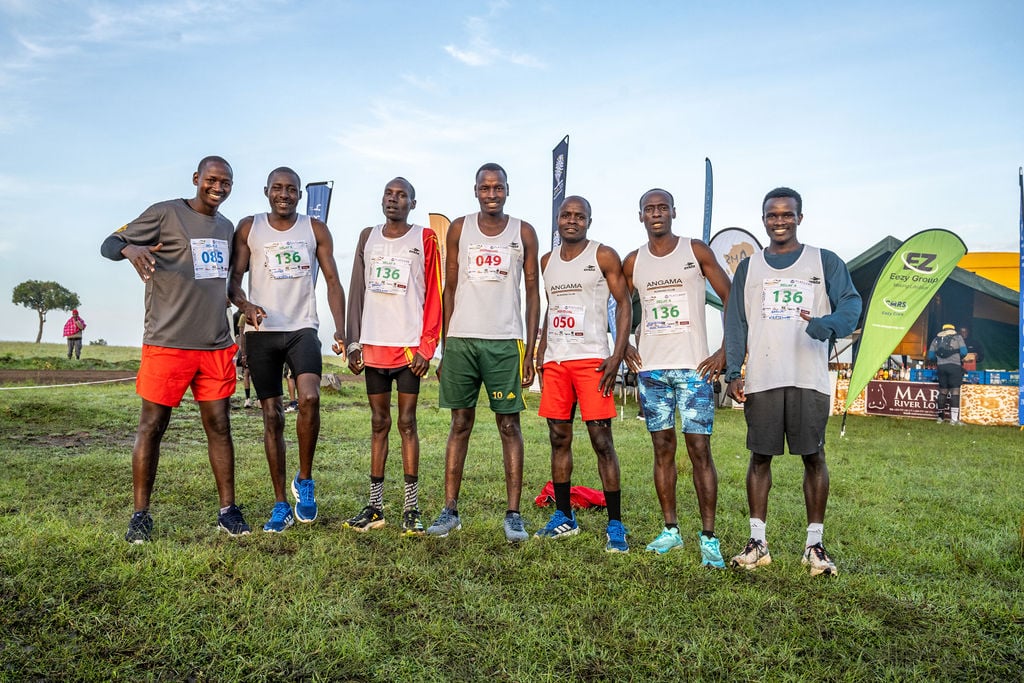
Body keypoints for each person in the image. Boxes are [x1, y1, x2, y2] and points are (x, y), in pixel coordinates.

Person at [101, 156, 250, 542]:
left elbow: (227, 282)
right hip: (168, 341)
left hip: (215, 343)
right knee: (153, 426)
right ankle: (140, 516)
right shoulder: (165, 213)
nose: (218, 187)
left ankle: (228, 511)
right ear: (196, 178)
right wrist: (129, 250)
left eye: (226, 182)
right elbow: (109, 242)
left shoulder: (227, 226)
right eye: (212, 179)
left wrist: (245, 303)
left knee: (219, 425)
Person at [724, 187, 862, 577]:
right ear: (763, 218)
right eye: (772, 214)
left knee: (814, 457)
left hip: (809, 377)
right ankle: (757, 543)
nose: (780, 220)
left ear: (800, 217)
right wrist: (734, 371)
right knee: (759, 456)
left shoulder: (825, 261)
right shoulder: (749, 269)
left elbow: (851, 303)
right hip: (764, 377)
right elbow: (735, 321)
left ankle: (814, 546)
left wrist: (826, 325)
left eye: (787, 214)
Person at [426, 162, 541, 543]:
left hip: (505, 341)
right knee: (460, 423)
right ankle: (450, 510)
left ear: (508, 190)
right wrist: (444, 346)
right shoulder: (459, 227)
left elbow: (532, 292)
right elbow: (450, 287)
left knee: (509, 425)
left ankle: (513, 515)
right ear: (475, 190)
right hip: (462, 340)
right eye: (485, 188)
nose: (492, 193)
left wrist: (531, 348)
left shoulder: (523, 231)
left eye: (498, 187)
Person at [227, 167, 346, 533]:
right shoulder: (250, 228)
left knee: (309, 398)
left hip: (301, 327)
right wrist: (246, 308)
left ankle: (304, 480)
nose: (285, 194)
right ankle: (280, 503)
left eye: (291, 189)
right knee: (273, 416)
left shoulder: (314, 229)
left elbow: (332, 281)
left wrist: (342, 329)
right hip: (263, 331)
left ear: (299, 194)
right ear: (266, 191)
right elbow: (233, 282)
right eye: (278, 188)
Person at [622, 188, 732, 567]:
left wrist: (725, 350)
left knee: (699, 450)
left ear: (673, 212)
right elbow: (614, 302)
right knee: (662, 448)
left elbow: (732, 297)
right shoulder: (633, 261)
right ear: (640, 216)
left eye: (662, 207)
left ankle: (709, 537)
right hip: (651, 370)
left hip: (694, 369)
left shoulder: (695, 251)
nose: (656, 213)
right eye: (649, 209)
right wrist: (621, 345)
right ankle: (671, 530)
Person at [343, 177, 442, 535]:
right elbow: (356, 288)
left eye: (402, 196)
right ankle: (374, 507)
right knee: (378, 424)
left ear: (412, 203)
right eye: (389, 194)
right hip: (373, 347)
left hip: (407, 351)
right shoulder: (367, 236)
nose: (394, 200)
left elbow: (434, 295)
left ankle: (411, 509)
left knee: (407, 424)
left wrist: (426, 347)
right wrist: (353, 342)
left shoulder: (424, 238)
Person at [534, 196, 632, 552]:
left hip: (593, 360)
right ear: (558, 219)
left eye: (579, 216)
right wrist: (542, 352)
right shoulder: (548, 261)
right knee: (558, 438)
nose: (571, 221)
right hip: (557, 362)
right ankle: (564, 516)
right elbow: (551, 310)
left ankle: (616, 524)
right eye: (566, 215)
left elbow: (623, 304)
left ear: (589, 220)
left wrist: (617, 353)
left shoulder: (603, 255)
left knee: (601, 441)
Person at [928, 324, 967, 425]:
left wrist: (939, 359)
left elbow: (931, 356)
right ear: (953, 330)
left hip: (941, 367)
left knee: (943, 391)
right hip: (954, 367)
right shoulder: (958, 337)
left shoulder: (936, 339)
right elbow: (964, 352)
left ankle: (940, 418)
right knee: (955, 391)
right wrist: (957, 357)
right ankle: (953, 420)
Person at [232, 309, 253, 408]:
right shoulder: (242, 316)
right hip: (247, 347)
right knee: (246, 372)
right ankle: (248, 399)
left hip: (256, 347)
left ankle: (257, 399)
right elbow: (241, 334)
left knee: (251, 374)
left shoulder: (255, 315)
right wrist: (243, 353)